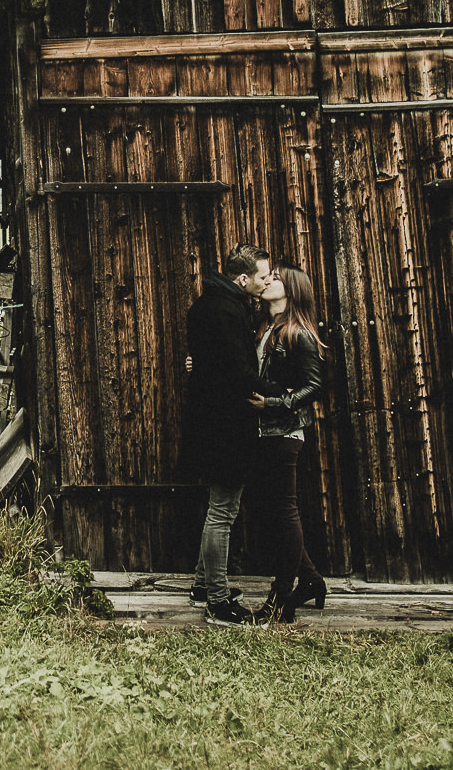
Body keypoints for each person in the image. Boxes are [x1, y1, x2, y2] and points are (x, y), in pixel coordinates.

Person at [183, 244, 270, 627]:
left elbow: (206, 362)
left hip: (209, 420)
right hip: (226, 424)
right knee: (223, 511)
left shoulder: (208, 305)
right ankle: (217, 602)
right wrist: (273, 392)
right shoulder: (227, 310)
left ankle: (204, 584)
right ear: (243, 279)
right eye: (263, 276)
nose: (268, 282)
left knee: (220, 508)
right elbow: (239, 370)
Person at [246, 264, 328, 622]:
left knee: (285, 510)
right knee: (275, 512)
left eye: (276, 277)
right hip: (264, 432)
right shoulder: (263, 327)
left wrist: (274, 404)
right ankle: (309, 580)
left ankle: (280, 599)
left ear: (291, 290)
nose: (268, 281)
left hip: (285, 432)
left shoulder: (299, 334)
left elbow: (315, 386)